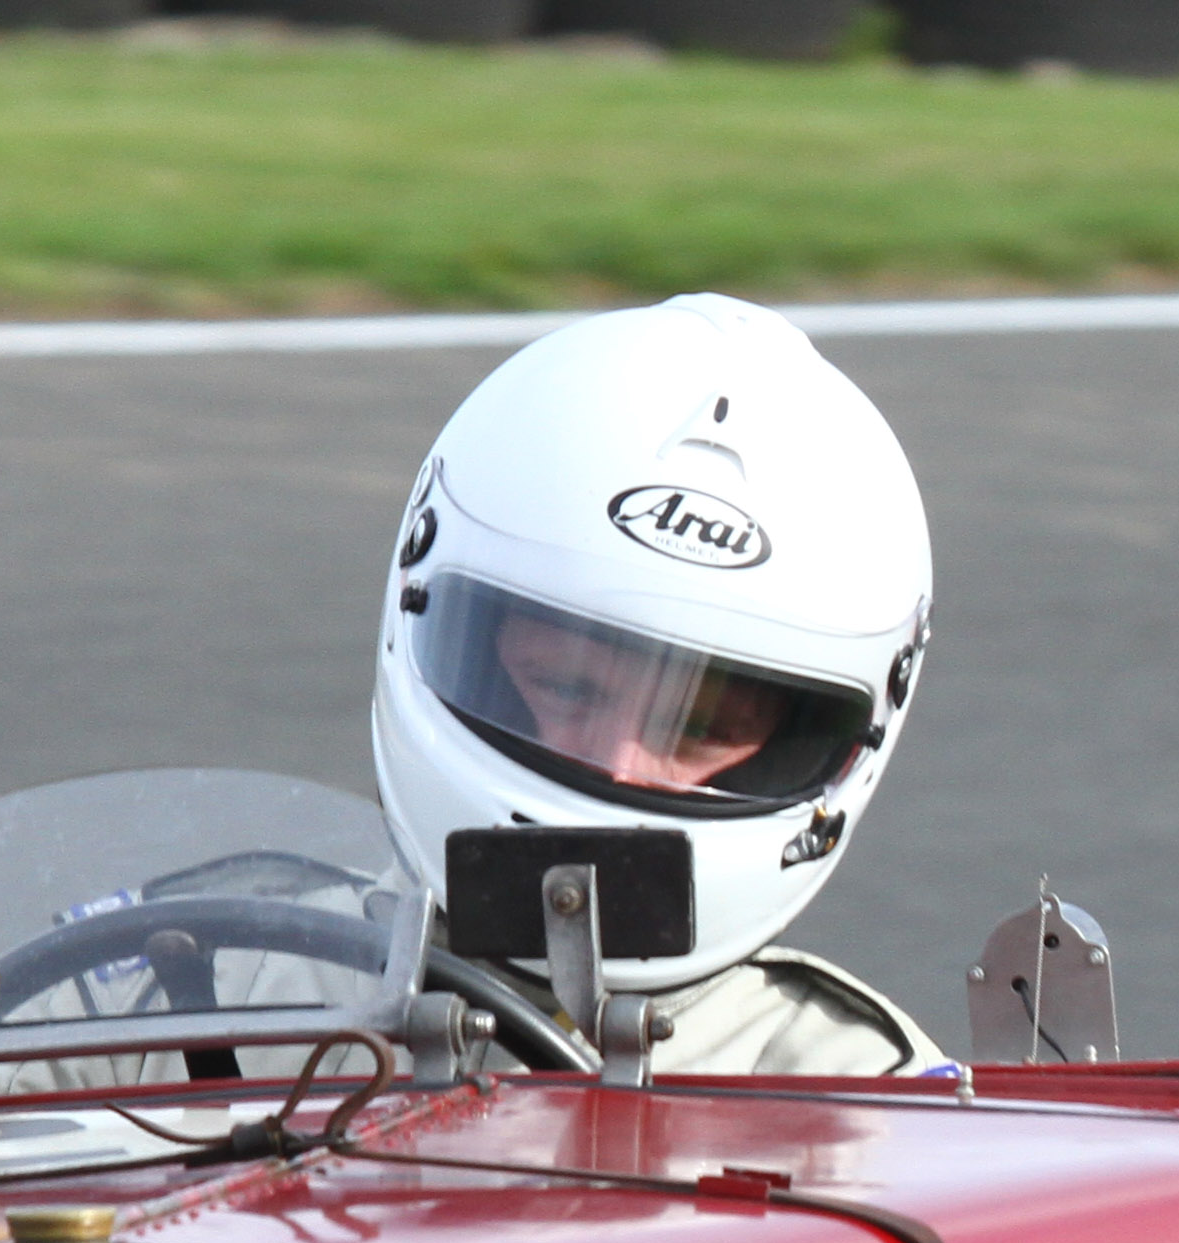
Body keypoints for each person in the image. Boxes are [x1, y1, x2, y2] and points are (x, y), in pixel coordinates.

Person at [373, 296, 950, 1077]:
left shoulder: (864, 1099)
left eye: (699, 727)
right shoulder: (217, 1001)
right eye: (566, 688)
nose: (617, 763)